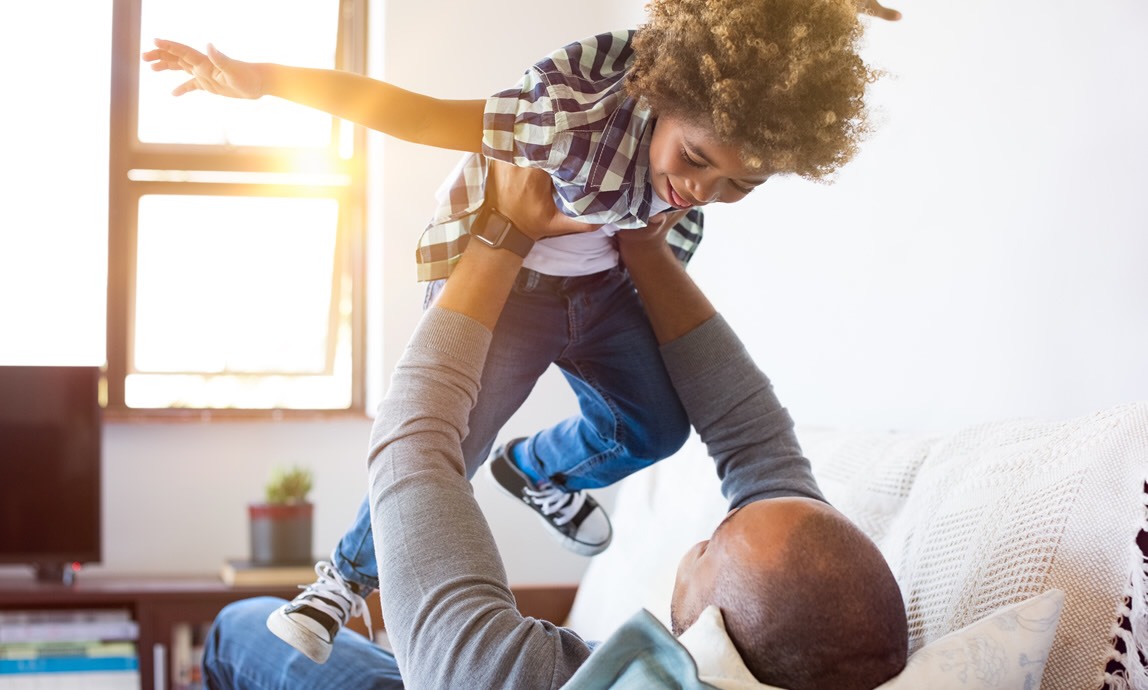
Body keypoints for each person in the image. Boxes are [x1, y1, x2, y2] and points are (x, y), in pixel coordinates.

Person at [143, 0, 899, 665]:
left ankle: (538, 471)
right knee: (447, 451)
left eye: (741, 184)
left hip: (602, 291)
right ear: (662, 101)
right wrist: (265, 79)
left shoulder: (698, 166)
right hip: (513, 290)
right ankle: (341, 579)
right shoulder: (567, 124)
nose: (703, 190)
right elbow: (411, 112)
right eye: (695, 160)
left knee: (658, 427)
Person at [201, 160, 909, 690]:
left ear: (709, 631)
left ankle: (348, 576)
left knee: (240, 628)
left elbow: (414, 448)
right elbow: (756, 442)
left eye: (714, 544)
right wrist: (642, 242)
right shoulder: (797, 663)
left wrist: (502, 236)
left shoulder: (500, 675)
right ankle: (534, 468)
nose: (699, 538)